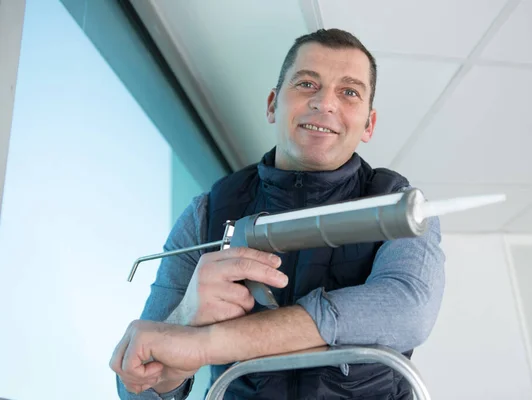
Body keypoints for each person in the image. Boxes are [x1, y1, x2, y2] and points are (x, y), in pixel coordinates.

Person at [110, 28, 446, 400]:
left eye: (349, 92)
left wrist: (209, 343)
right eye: (306, 84)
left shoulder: (400, 207)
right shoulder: (206, 214)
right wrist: (185, 316)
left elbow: (406, 309)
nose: (325, 103)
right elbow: (136, 389)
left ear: (369, 124)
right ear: (272, 104)